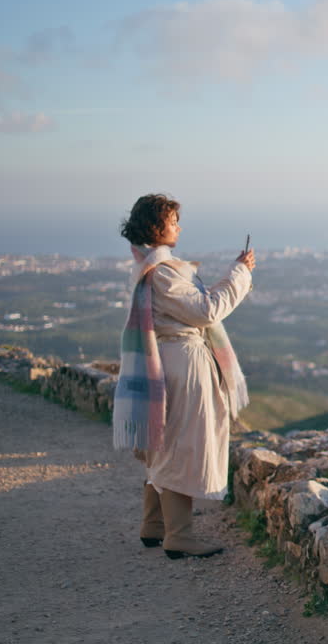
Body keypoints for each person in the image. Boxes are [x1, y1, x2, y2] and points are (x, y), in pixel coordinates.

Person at [114, 193, 255, 559]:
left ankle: (154, 526)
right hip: (183, 361)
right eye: (173, 221)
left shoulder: (149, 266)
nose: (179, 227)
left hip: (169, 357)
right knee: (181, 444)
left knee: (165, 440)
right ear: (156, 226)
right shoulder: (164, 271)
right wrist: (239, 274)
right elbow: (208, 310)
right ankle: (180, 534)